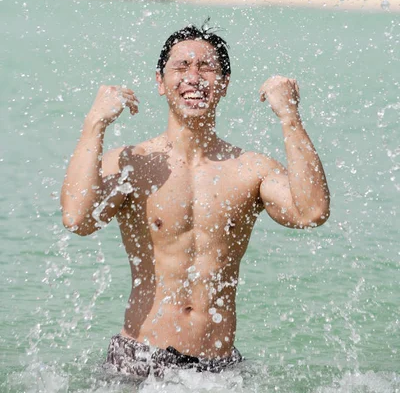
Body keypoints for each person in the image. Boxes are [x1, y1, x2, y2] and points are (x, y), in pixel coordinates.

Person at [61, 22, 330, 379]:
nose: (194, 76)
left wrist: (289, 116)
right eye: (181, 67)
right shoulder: (133, 163)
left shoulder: (250, 169)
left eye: (207, 67)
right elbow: (78, 219)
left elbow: (312, 212)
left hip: (218, 369)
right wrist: (94, 123)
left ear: (224, 84)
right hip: (140, 361)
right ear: (160, 82)